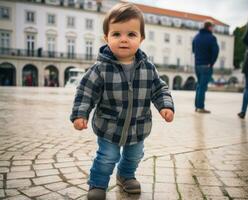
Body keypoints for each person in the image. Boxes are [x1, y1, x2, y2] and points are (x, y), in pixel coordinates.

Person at [70, 3, 175, 200]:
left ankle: (126, 176)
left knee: (134, 155)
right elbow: (85, 92)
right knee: (107, 157)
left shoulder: (148, 68)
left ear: (141, 39)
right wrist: (80, 114)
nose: (124, 40)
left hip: (138, 126)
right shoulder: (100, 69)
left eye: (131, 34)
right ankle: (97, 185)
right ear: (106, 38)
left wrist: (165, 106)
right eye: (116, 34)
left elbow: (159, 88)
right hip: (109, 126)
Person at [192, 20, 219, 113]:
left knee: (199, 86)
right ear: (209, 27)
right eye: (212, 27)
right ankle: (200, 107)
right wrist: (211, 63)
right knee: (203, 87)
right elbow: (215, 52)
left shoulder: (196, 37)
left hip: (197, 65)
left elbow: (193, 50)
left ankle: (197, 106)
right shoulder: (212, 38)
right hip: (206, 65)